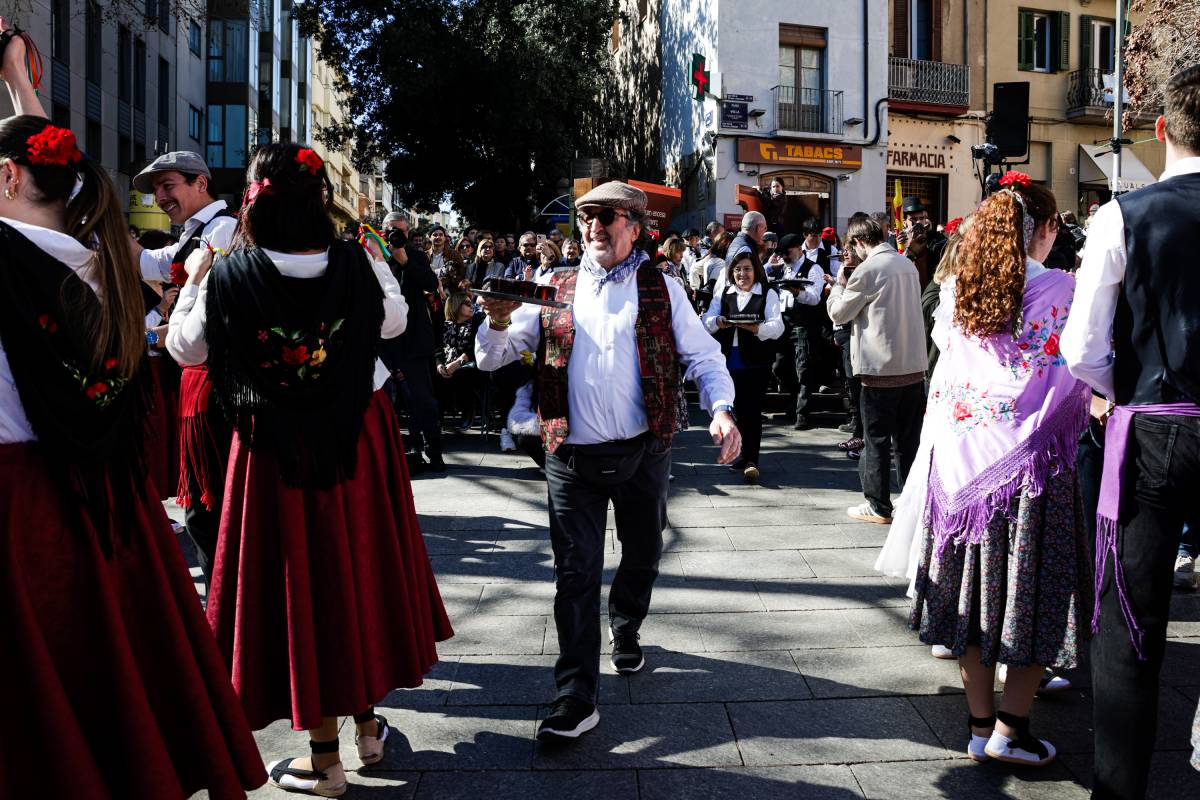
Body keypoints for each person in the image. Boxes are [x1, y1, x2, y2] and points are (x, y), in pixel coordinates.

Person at [0, 29, 265, 797]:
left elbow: (58, 175)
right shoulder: (105, 259)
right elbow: (68, 179)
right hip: (98, 505)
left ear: (12, 176)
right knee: (98, 679)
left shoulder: (16, 260)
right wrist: (19, 81)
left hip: (20, 504)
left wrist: (19, 82)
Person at [167, 142, 453, 798]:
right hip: (358, 432)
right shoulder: (355, 259)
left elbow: (187, 351)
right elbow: (396, 321)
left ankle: (325, 761)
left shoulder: (231, 268)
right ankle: (366, 727)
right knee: (355, 569)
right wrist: (375, 267)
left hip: (272, 443)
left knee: (300, 582)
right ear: (320, 200)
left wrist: (199, 277)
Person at [475, 181, 740, 742]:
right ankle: (576, 694)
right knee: (574, 574)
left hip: (645, 451)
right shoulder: (552, 285)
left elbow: (703, 354)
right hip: (569, 458)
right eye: (586, 216)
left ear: (635, 228)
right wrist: (497, 322)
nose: (594, 226)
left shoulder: (663, 287)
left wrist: (722, 409)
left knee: (643, 553)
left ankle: (626, 624)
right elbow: (493, 359)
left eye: (607, 216)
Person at [909, 172, 1090, 768]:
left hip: (962, 468)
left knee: (973, 598)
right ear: (1041, 229)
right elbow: (1080, 365)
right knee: (1032, 591)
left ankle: (978, 724)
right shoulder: (1060, 287)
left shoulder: (962, 291)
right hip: (1033, 470)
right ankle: (1011, 732)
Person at [1060, 64, 1200, 800]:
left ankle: (1119, 792)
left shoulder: (1124, 213)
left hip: (1155, 425)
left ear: (1159, 129)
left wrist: (1119, 394)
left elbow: (1081, 348)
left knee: (1129, 622)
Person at [130, 149, 237, 587]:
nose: (159, 197)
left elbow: (197, 334)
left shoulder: (223, 230)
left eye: (167, 185)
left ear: (200, 183)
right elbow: (146, 263)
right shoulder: (199, 232)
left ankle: (225, 611)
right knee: (203, 512)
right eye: (155, 189)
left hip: (215, 383)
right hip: (200, 381)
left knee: (208, 512)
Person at [827, 215, 927, 524]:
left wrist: (837, 287)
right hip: (912, 366)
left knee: (876, 440)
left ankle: (877, 503)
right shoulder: (906, 264)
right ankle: (910, 502)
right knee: (908, 441)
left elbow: (839, 313)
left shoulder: (867, 269)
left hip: (880, 369)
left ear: (858, 242)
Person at [704, 251, 784, 482]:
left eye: (747, 269)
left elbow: (776, 327)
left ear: (756, 270)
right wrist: (717, 321)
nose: (742, 274)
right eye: (738, 270)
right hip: (728, 358)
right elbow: (707, 320)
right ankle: (741, 453)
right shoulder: (724, 292)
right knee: (736, 409)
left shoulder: (767, 294)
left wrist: (755, 328)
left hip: (756, 361)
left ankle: (751, 458)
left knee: (752, 410)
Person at [379, 211, 446, 473]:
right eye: (390, 230)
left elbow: (431, 283)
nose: (395, 235)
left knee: (423, 401)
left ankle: (434, 451)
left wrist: (405, 261)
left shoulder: (415, 256)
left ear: (408, 234)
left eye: (400, 231)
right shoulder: (372, 255)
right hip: (382, 342)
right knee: (384, 401)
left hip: (413, 341)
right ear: (382, 231)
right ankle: (393, 454)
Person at [783, 219, 834, 430]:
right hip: (785, 323)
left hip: (804, 323)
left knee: (803, 368)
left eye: (788, 252)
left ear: (797, 249)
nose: (784, 256)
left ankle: (802, 414)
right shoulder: (783, 268)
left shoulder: (813, 268)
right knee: (781, 366)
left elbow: (814, 297)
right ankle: (794, 404)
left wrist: (797, 292)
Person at [436, 292, 485, 429]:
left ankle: (468, 414)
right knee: (436, 375)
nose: (471, 306)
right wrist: (439, 365)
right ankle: (437, 418)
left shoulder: (476, 323)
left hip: (469, 364)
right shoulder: (444, 326)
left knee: (463, 373)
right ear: (456, 305)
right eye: (467, 303)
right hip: (447, 365)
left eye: (471, 303)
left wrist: (457, 363)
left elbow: (474, 349)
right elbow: (437, 350)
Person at [897, 196, 947, 288]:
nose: (919, 222)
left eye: (921, 218)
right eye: (913, 220)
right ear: (905, 222)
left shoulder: (936, 238)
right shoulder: (897, 241)